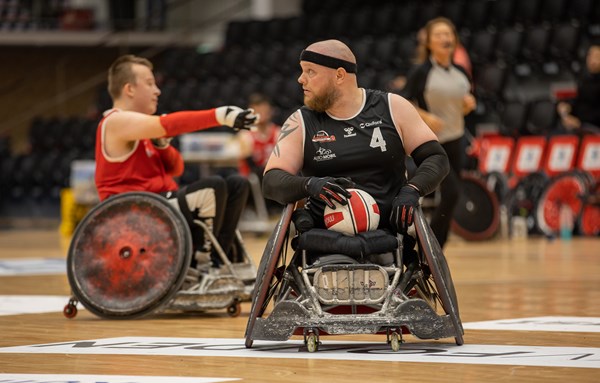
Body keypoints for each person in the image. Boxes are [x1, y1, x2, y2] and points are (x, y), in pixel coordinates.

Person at [261, 39, 450, 259]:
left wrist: (413, 189)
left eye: (310, 71)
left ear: (340, 75)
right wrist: (309, 185)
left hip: (388, 230)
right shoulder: (300, 121)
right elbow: (271, 179)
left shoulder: (392, 107)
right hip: (325, 232)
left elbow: (436, 157)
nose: (301, 79)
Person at [95, 54, 257, 270]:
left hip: (158, 202)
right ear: (129, 89)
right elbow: (169, 123)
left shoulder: (142, 128)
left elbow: (176, 168)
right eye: (150, 84)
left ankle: (221, 258)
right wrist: (220, 115)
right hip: (132, 209)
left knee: (237, 183)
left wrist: (162, 146)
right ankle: (203, 261)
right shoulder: (116, 121)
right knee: (213, 187)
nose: (157, 91)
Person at [400, 17, 476, 249]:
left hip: (456, 139)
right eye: (439, 35)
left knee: (453, 194)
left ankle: (431, 247)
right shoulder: (421, 72)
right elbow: (401, 102)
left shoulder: (461, 71)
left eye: (448, 34)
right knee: (452, 192)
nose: (445, 38)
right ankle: (432, 245)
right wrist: (425, 116)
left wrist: (469, 104)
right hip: (432, 144)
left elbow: (462, 102)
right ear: (429, 43)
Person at [238, 93, 282, 214]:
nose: (261, 114)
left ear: (270, 112)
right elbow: (249, 163)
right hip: (253, 177)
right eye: (258, 111)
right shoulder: (245, 135)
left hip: (273, 174)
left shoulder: (278, 132)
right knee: (260, 174)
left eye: (264, 111)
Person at [556, 42, 600, 135]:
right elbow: (575, 100)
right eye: (590, 55)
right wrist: (566, 108)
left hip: (592, 126)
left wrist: (579, 121)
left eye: (597, 56)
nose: (592, 60)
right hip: (577, 125)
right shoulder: (583, 80)